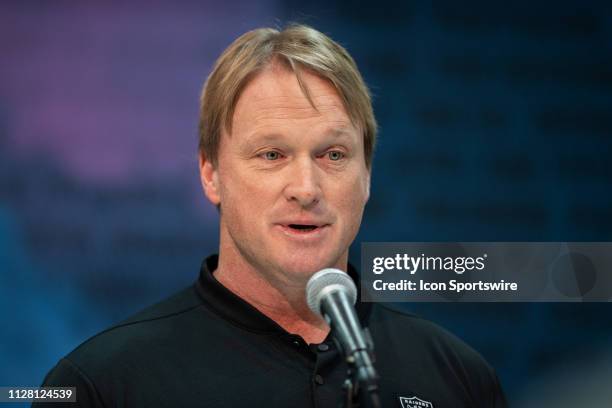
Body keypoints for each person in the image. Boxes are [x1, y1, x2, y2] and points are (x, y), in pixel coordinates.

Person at [37, 24, 507, 407]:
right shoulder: (103, 385)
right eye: (271, 154)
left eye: (334, 155)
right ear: (210, 173)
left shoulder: (458, 379)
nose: (306, 189)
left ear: (368, 175)